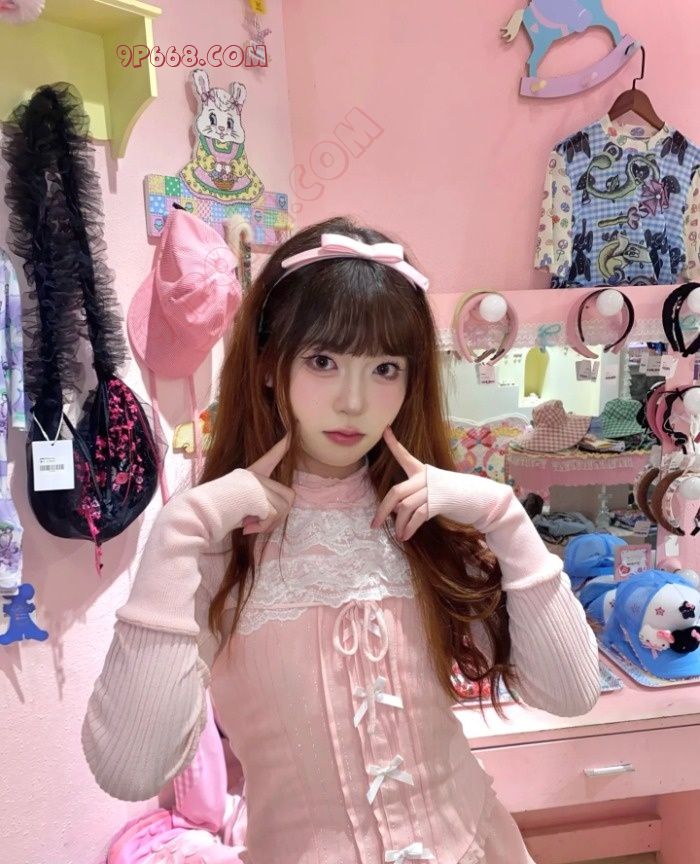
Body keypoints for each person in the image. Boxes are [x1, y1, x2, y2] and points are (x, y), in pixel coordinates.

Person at [82, 216, 601, 864]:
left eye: (385, 367)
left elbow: (570, 692)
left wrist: (506, 517)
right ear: (269, 365)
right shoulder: (218, 537)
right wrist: (176, 532)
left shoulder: (428, 517)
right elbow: (130, 769)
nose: (354, 401)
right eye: (323, 361)